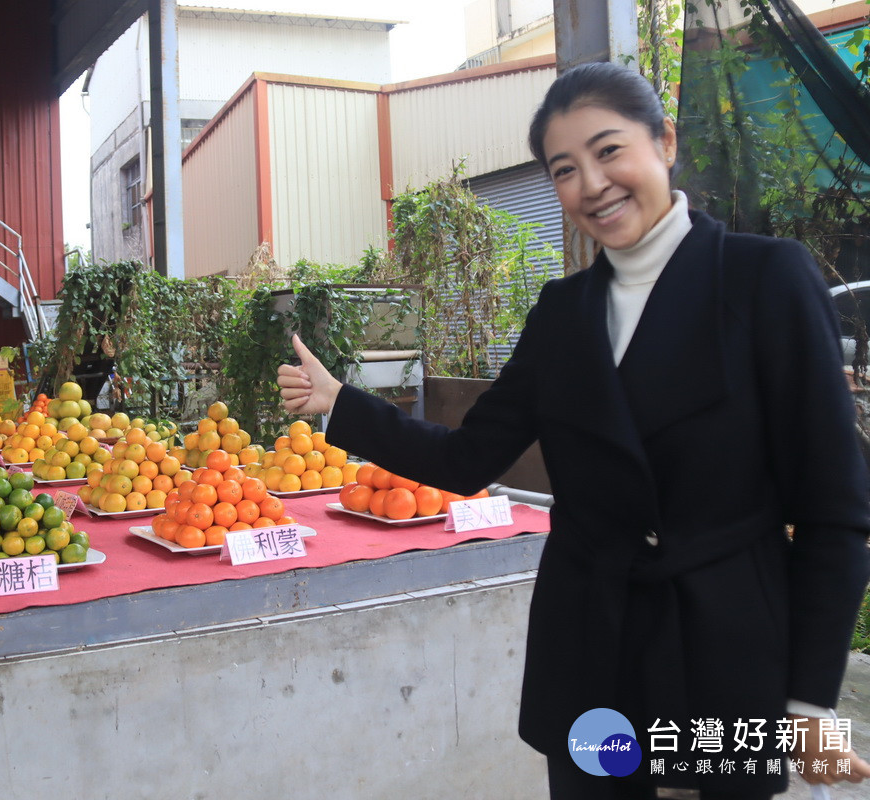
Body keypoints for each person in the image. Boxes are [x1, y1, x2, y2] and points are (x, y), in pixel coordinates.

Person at [278, 62, 870, 798]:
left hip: (723, 648)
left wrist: (810, 701)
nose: (592, 183)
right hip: (593, 647)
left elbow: (834, 512)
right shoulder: (563, 313)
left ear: (665, 142)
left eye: (609, 150)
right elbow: (469, 458)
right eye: (565, 169)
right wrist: (342, 403)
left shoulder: (764, 279)